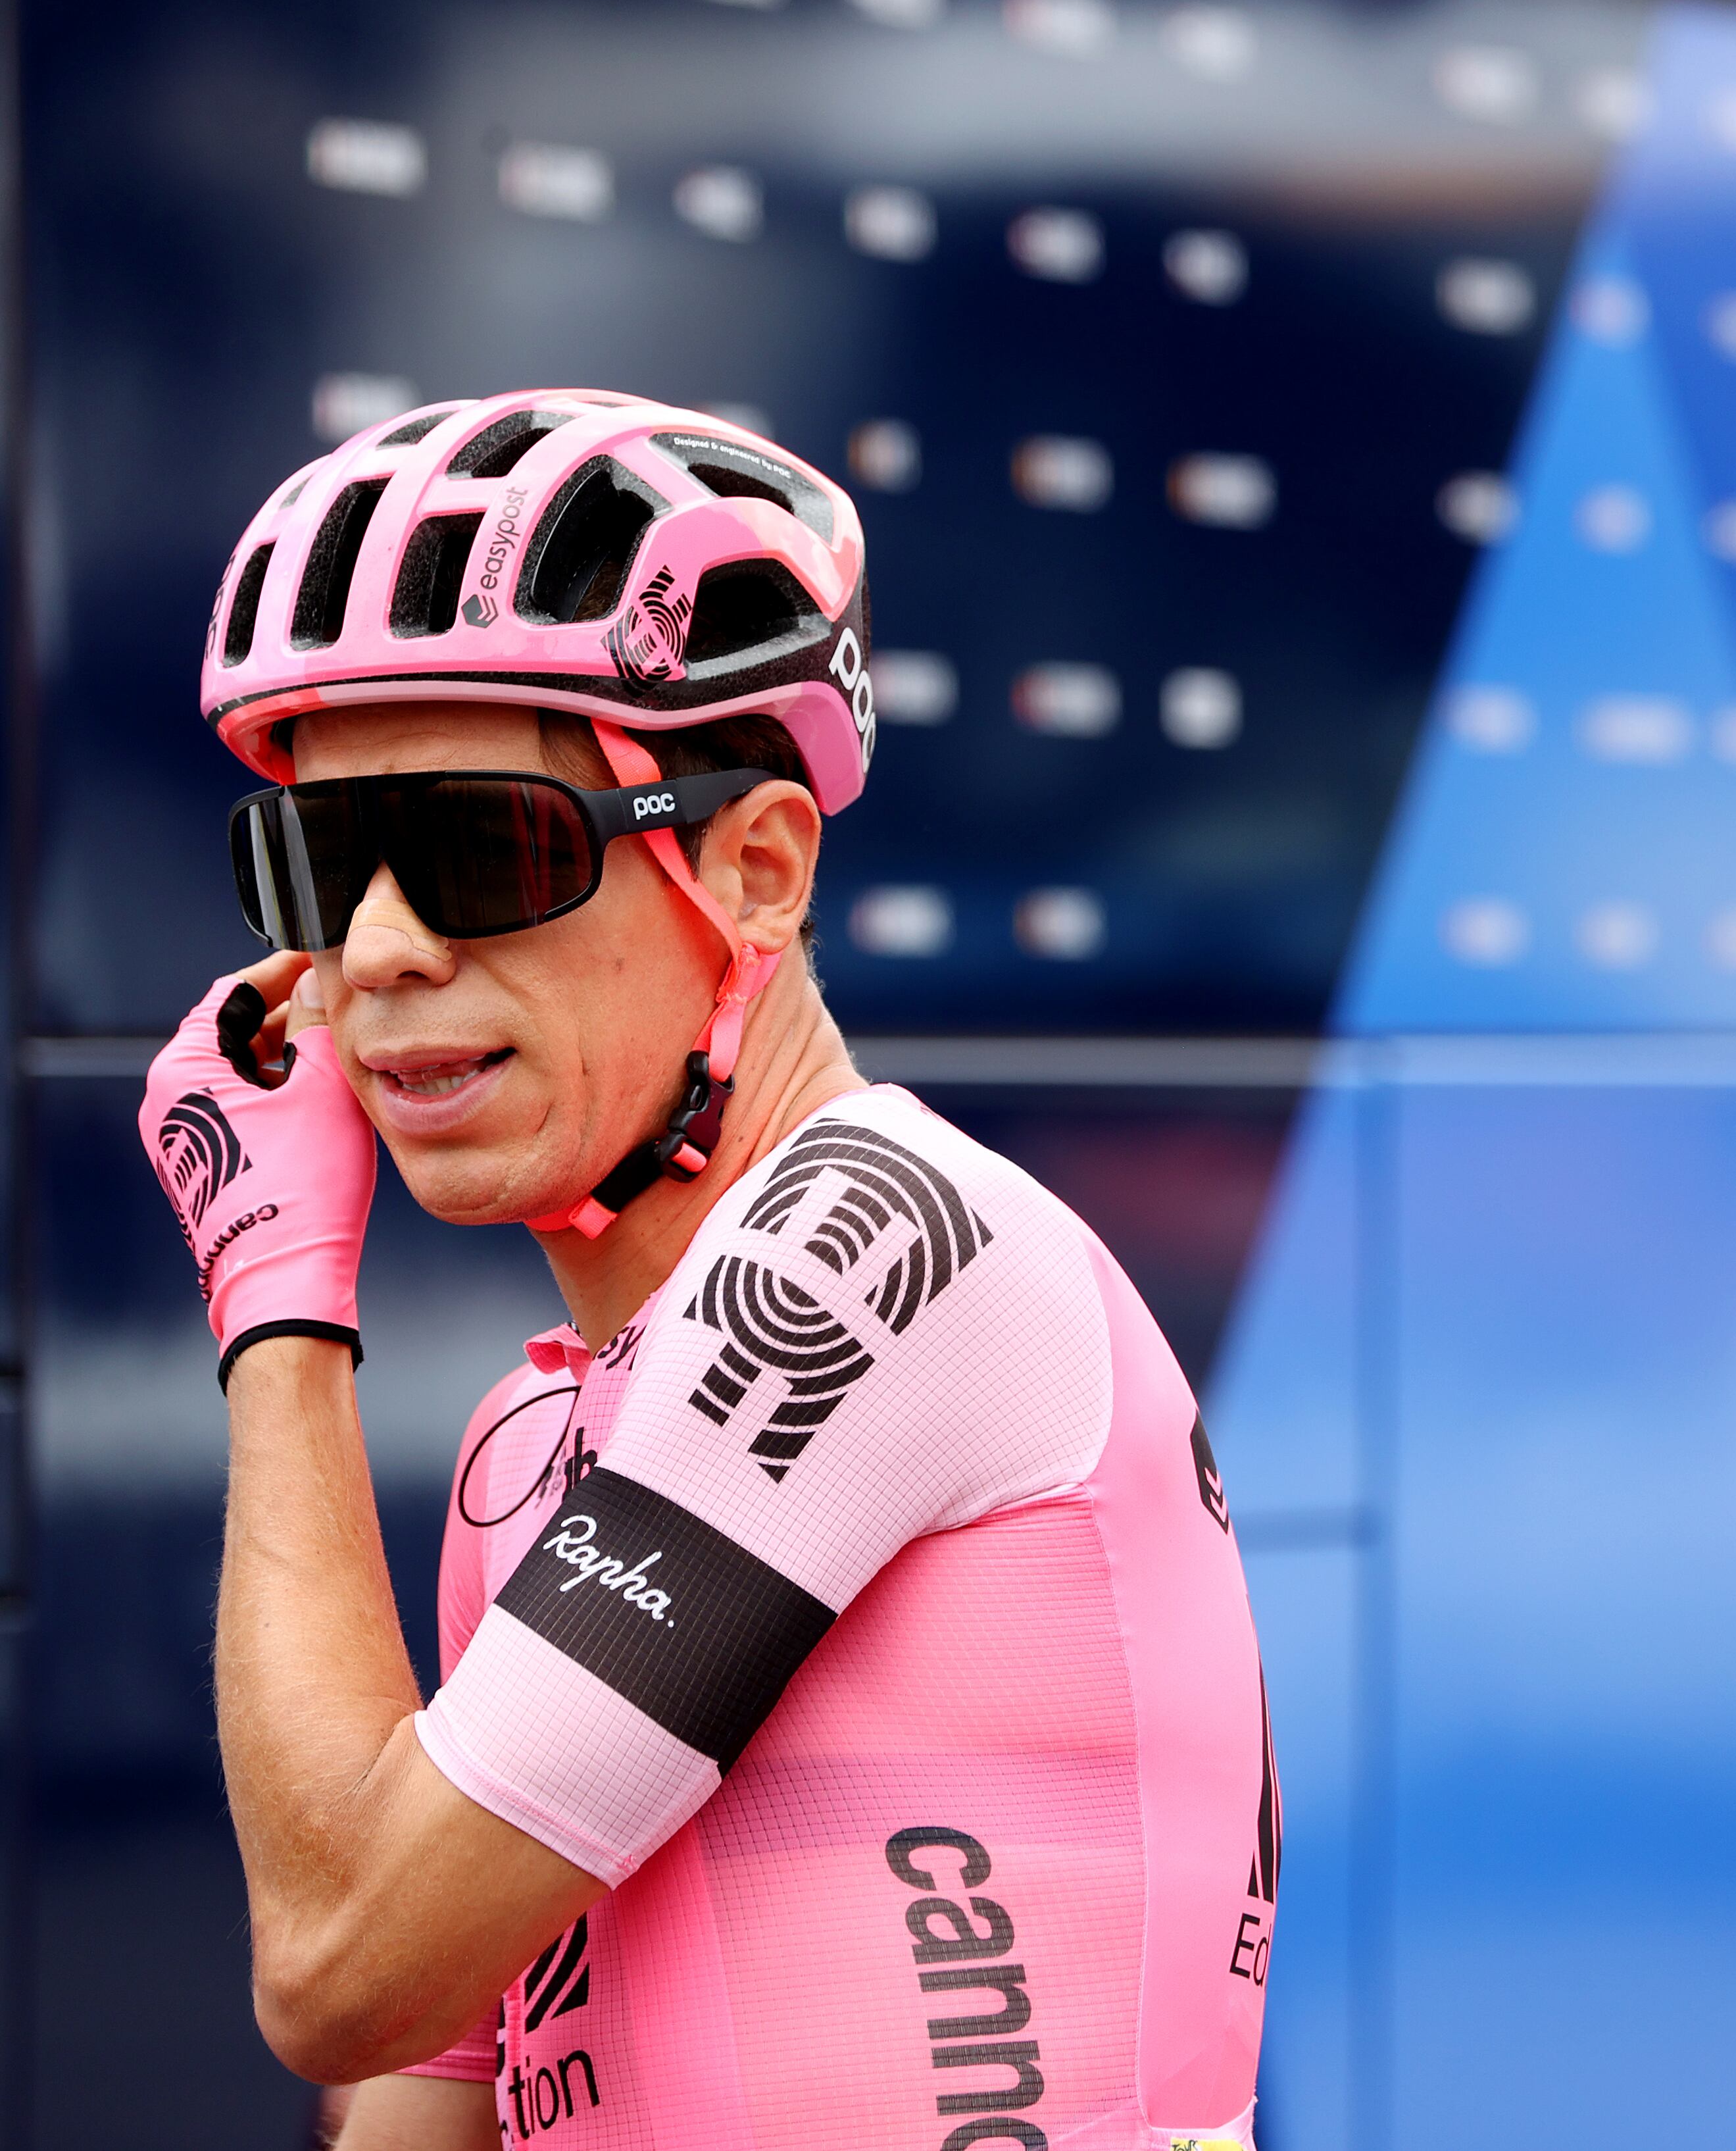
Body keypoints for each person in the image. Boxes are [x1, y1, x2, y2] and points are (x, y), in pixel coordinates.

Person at [139, 389, 1277, 2150]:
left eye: (477, 852)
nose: (374, 949)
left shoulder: (882, 1244)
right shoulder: (540, 1441)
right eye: (319, 863)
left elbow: (342, 1968)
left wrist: (278, 1309)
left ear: (755, 868)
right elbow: (414, 2087)